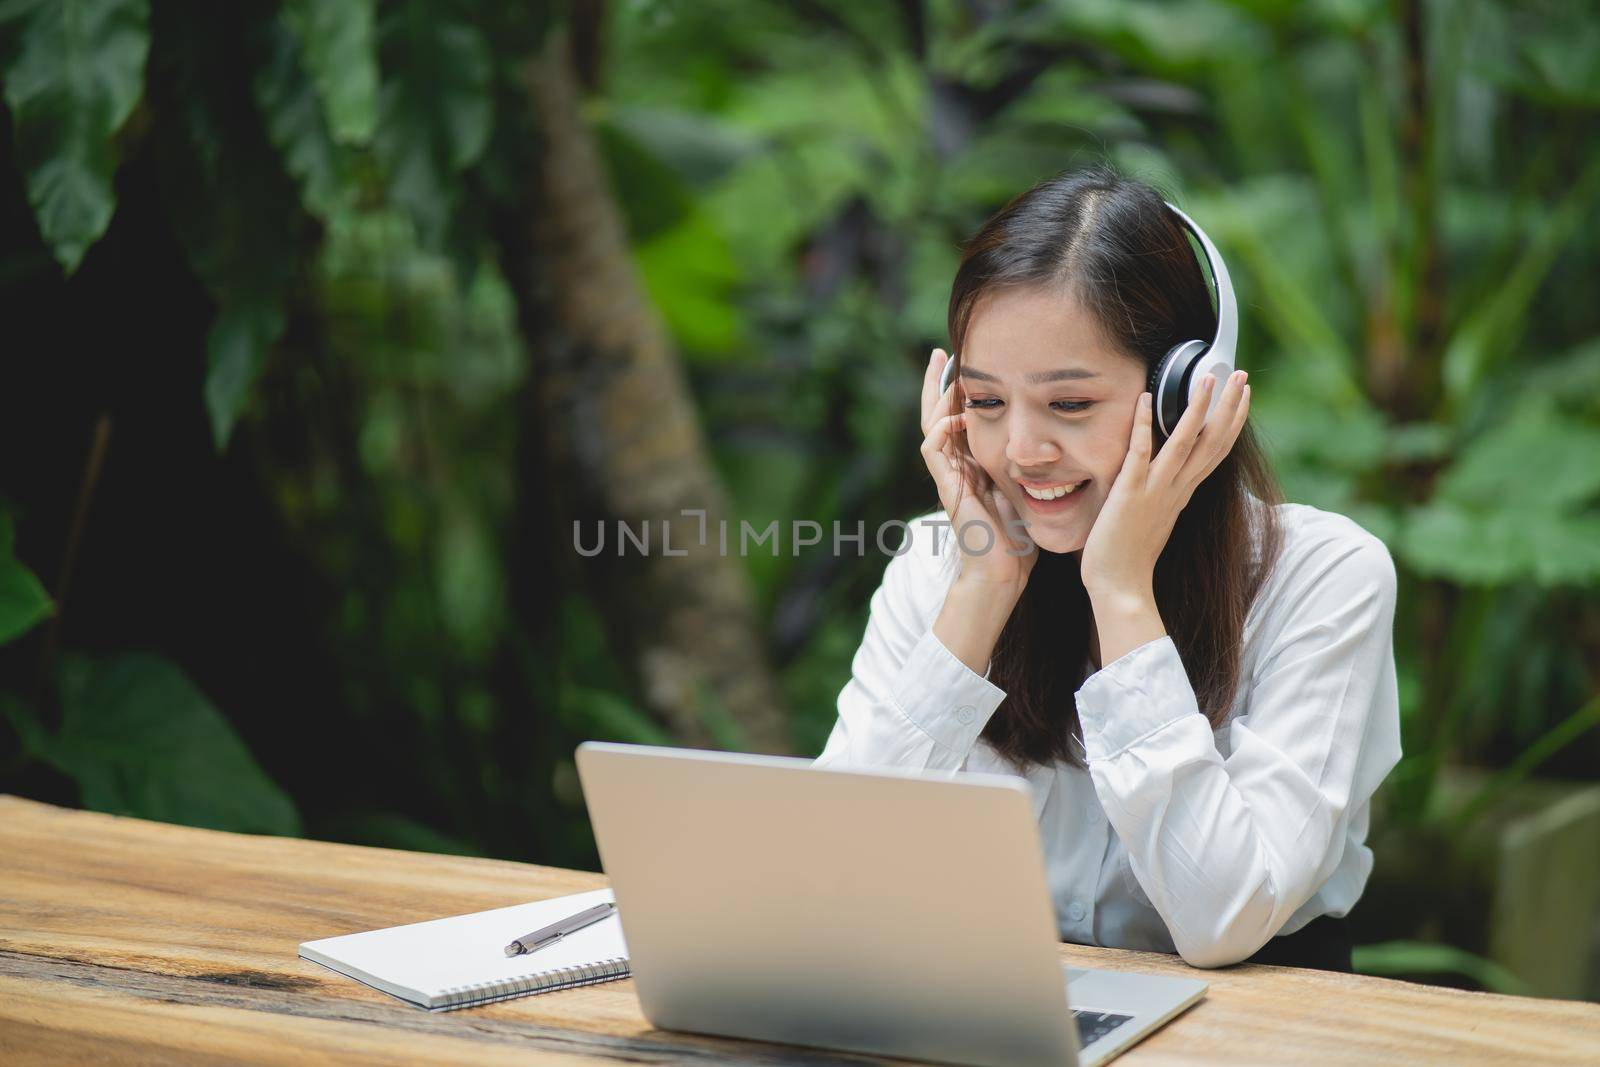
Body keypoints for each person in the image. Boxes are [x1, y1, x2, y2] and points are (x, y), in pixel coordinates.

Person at [814, 166, 1400, 972]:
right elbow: (829, 880)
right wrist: (982, 591)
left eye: (1070, 404)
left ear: (1183, 393)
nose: (1021, 450)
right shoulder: (935, 567)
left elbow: (1222, 917)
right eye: (985, 403)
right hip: (992, 1008)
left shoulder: (1324, 579)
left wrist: (1121, 592)